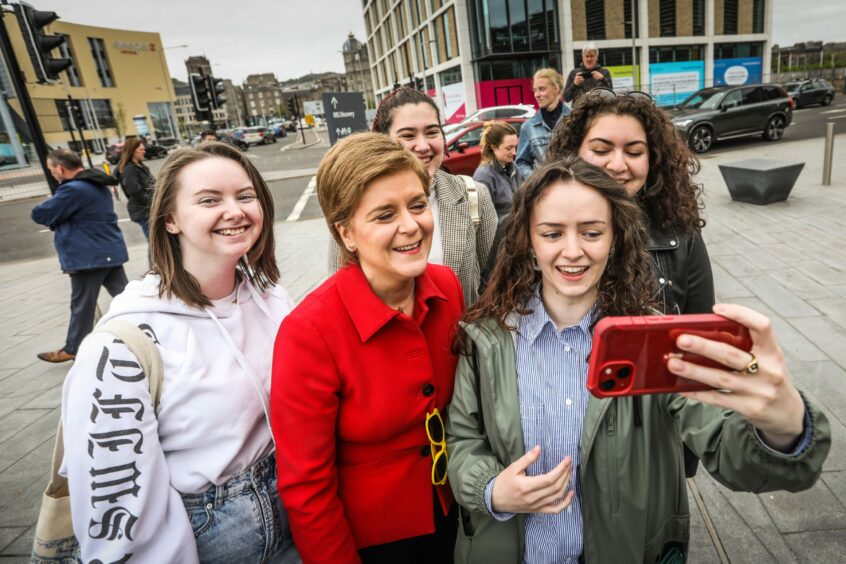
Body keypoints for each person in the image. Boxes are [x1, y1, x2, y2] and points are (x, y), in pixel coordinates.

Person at [445, 159, 830, 563]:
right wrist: (491, 489)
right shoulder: (486, 338)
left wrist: (781, 425)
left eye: (592, 233)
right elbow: (462, 440)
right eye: (552, 233)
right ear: (527, 240)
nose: (572, 251)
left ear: (615, 239)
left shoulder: (657, 341)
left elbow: (723, 439)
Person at [60, 142, 300, 563]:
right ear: (170, 219)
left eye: (245, 195)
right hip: (206, 536)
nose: (235, 211)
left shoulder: (272, 298)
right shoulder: (122, 343)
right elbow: (117, 505)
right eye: (210, 200)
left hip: (295, 516)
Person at [273, 133, 464, 563]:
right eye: (384, 215)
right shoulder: (308, 331)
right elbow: (307, 489)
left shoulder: (448, 287)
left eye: (417, 205)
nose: (411, 225)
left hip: (455, 515)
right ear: (346, 234)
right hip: (372, 545)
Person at [328, 86, 497, 308]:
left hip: (456, 338)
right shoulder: (354, 202)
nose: (423, 145)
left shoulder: (473, 195)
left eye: (432, 132)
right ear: (383, 141)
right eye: (408, 135)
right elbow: (339, 287)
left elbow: (495, 281)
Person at [31, 149, 129, 363]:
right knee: (126, 298)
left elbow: (40, 214)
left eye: (51, 169)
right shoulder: (97, 184)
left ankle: (74, 347)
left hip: (88, 255)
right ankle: (153, 330)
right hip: (108, 250)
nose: (52, 173)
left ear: (60, 168)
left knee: (82, 304)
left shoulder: (73, 190)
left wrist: (58, 218)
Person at [515, 68, 569, 179]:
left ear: (556, 89)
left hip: (573, 188)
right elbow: (520, 163)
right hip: (544, 191)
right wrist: (537, 179)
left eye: (542, 89)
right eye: (535, 90)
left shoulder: (576, 119)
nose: (537, 95)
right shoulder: (528, 127)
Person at [472, 121, 522, 221]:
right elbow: (483, 220)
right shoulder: (483, 177)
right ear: (494, 147)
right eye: (509, 148)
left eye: (515, 147)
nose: (514, 152)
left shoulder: (513, 167)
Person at [117, 137, 155, 239]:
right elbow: (135, 190)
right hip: (144, 211)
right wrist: (153, 202)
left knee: (157, 242)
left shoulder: (140, 166)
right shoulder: (130, 169)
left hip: (148, 209)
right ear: (133, 151)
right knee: (155, 243)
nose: (144, 151)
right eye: (141, 149)